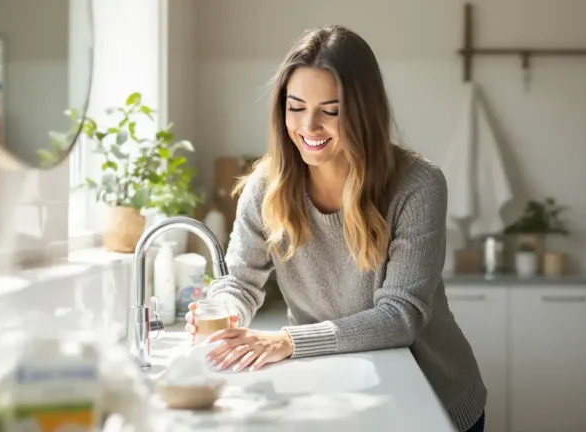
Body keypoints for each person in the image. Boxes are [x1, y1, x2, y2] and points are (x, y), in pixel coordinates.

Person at [184, 25, 487, 432]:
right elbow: (239, 281)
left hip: (431, 398)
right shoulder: (265, 187)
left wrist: (288, 341)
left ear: (364, 113)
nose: (309, 127)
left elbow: (400, 316)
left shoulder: (417, 186)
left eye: (331, 110)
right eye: (295, 107)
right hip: (335, 386)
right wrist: (225, 314)